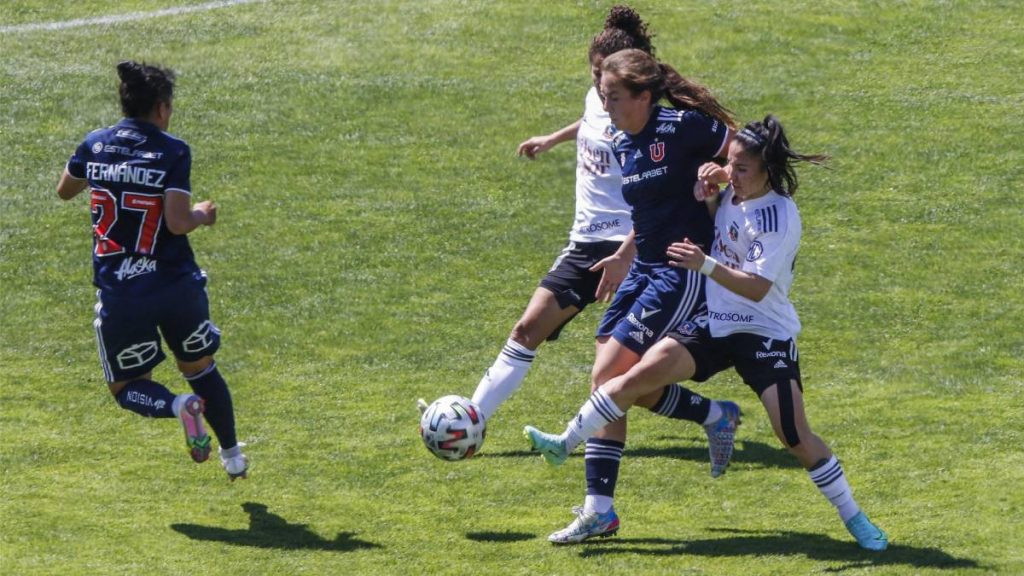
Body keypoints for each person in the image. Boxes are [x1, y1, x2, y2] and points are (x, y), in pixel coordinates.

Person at [524, 116, 889, 551]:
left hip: (762, 331)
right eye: (729, 163)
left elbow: (756, 288)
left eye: (740, 169)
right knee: (635, 379)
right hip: (715, 323)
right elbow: (723, 225)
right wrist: (711, 196)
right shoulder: (734, 192)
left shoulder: (780, 216)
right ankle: (565, 442)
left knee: (793, 435)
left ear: (767, 170)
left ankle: (855, 517)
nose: (730, 174)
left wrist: (704, 264)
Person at [421, 6, 736, 470]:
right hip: (589, 242)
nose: (597, 90)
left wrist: (631, 248)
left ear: (633, 85)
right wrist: (554, 137)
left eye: (604, 82)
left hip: (624, 247)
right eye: (593, 78)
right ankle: (711, 415)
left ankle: (525, 441)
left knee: (603, 371)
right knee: (600, 369)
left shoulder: (651, 123)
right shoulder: (605, 102)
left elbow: (692, 171)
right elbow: (591, 123)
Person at [524, 48, 740, 543]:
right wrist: (624, 255)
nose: (608, 107)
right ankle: (714, 415)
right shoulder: (623, 139)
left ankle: (597, 504)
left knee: (606, 378)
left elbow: (745, 153)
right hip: (640, 268)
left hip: (680, 271)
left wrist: (722, 175)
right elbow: (649, 213)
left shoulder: (684, 127)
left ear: (644, 96)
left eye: (615, 97)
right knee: (619, 388)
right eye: (603, 97)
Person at [56, 61, 248, 481]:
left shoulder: (95, 144)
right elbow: (178, 222)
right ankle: (233, 456)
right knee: (200, 366)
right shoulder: (173, 150)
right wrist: (203, 215)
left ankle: (178, 407)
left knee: (126, 388)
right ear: (161, 108)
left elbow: (64, 190)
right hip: (176, 285)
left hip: (122, 293)